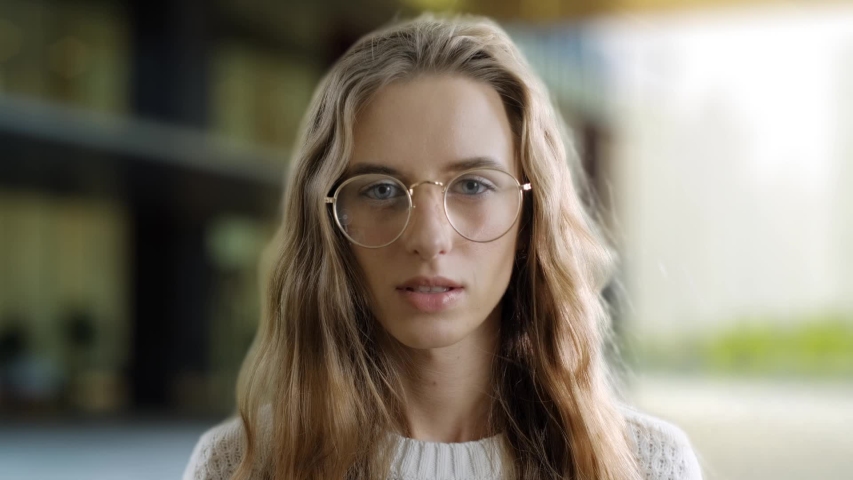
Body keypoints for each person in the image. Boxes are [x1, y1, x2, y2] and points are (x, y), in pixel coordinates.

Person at [183, 13, 702, 480]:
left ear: (532, 214)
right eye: (381, 190)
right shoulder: (239, 467)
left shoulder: (646, 466)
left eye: (473, 185)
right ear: (329, 222)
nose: (430, 239)